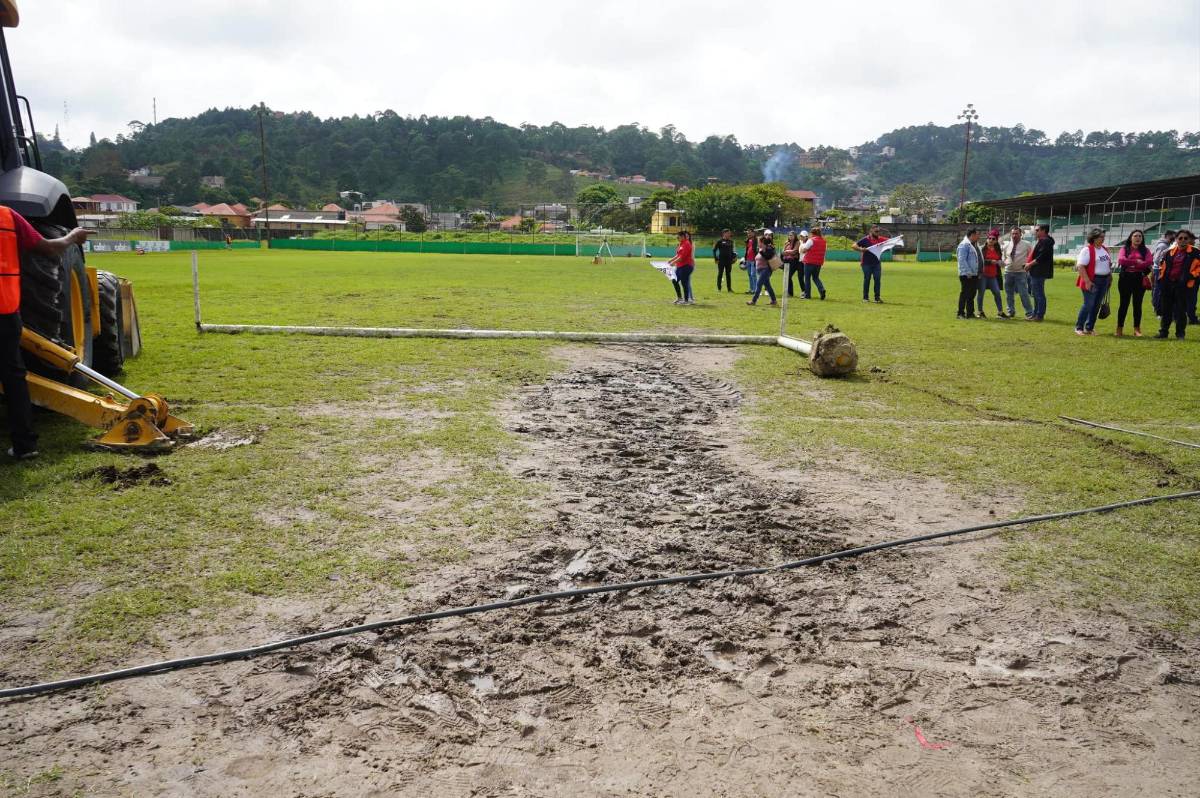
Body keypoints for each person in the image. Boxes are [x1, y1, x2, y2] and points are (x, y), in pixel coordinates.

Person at [0, 206, 93, 459]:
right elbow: (49, 248)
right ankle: (24, 445)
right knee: (13, 377)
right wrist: (73, 236)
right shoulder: (8, 216)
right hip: (6, 311)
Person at [1155, 229, 1199, 339]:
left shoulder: (1195, 252)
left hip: (1183, 286)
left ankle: (1180, 334)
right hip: (1168, 285)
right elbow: (1162, 267)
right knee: (1166, 310)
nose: (1183, 240)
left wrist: (1191, 276)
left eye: (1185, 238)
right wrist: (1161, 279)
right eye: (1180, 238)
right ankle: (1163, 332)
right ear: (1176, 240)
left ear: (1189, 240)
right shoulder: (1169, 252)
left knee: (1180, 310)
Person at [1115, 229, 1154, 337]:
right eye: (1135, 236)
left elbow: (1149, 262)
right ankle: (1119, 328)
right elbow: (1121, 260)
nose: (1138, 238)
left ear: (1142, 239)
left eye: (1140, 236)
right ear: (1131, 238)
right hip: (1125, 279)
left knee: (1137, 305)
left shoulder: (1145, 250)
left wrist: (1132, 264)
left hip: (1139, 279)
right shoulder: (1124, 248)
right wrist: (1137, 262)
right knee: (1124, 304)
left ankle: (1137, 329)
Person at [1074, 228, 1112, 336]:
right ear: (1093, 238)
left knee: (1096, 305)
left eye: (1103, 237)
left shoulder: (1104, 248)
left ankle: (1089, 328)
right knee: (1088, 304)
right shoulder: (1087, 250)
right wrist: (1087, 281)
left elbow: (1107, 264)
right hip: (1092, 280)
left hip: (1104, 280)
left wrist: (1109, 277)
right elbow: (1080, 266)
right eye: (1100, 237)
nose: (1102, 239)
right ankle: (1079, 327)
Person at [1001, 226, 1034, 319]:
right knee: (1009, 294)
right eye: (1013, 233)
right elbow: (1004, 257)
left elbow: (1031, 256)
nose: (1014, 235)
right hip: (1008, 272)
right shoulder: (1006, 245)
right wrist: (1004, 262)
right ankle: (1010, 312)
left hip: (1021, 273)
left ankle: (1029, 313)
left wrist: (1027, 265)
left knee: (1023, 293)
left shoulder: (1027, 244)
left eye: (1016, 233)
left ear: (1021, 234)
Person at [1026, 224, 1055, 321]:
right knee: (1036, 293)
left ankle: (1039, 315)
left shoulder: (1045, 241)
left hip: (1039, 271)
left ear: (1043, 231)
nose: (1036, 232)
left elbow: (1041, 257)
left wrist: (1029, 264)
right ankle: (1036, 314)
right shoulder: (1044, 241)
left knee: (1038, 294)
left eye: (1037, 230)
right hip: (1036, 271)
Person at [852, 224, 887, 303]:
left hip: (877, 264)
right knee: (867, 279)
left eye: (879, 231)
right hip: (866, 264)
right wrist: (861, 249)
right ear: (871, 231)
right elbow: (853, 246)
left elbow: (890, 241)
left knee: (877, 280)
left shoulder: (881, 239)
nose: (878, 233)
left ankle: (877, 298)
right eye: (876, 231)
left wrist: (898, 239)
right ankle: (865, 298)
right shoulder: (865, 240)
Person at [977, 230, 1005, 318]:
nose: (991, 240)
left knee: (997, 292)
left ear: (996, 240)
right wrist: (990, 261)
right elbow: (979, 261)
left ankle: (1000, 312)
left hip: (993, 275)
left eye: (993, 239)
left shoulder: (997, 249)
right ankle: (980, 312)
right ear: (987, 239)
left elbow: (999, 259)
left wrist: (1000, 262)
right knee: (981, 293)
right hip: (983, 275)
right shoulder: (982, 249)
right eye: (989, 238)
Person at [1151, 229, 1176, 318]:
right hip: (1160, 270)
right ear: (1167, 236)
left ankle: (1158, 308)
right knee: (1159, 290)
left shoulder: (1165, 245)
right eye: (1172, 236)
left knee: (1159, 290)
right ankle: (1157, 309)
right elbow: (1157, 259)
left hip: (1160, 269)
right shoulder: (1163, 246)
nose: (1174, 238)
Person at [748, 230, 777, 306]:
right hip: (760, 270)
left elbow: (768, 257)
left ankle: (753, 301)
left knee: (759, 284)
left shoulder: (769, 249)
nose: (758, 243)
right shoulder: (760, 249)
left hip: (766, 270)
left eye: (759, 241)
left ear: (762, 242)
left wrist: (762, 251)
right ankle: (774, 300)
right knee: (768, 286)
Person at [956, 229, 981, 319]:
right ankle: (960, 313)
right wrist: (968, 272)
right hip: (966, 274)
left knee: (972, 294)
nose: (979, 237)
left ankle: (970, 313)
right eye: (977, 235)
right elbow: (962, 260)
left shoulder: (972, 245)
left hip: (973, 274)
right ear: (972, 235)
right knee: (965, 293)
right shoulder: (964, 245)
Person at [668, 230, 695, 305]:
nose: (677, 238)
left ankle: (686, 300)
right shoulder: (681, 244)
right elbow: (678, 255)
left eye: (678, 237)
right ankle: (680, 298)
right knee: (674, 280)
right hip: (680, 266)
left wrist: (673, 263)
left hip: (687, 266)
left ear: (683, 237)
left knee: (684, 282)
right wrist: (670, 260)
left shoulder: (687, 244)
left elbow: (682, 257)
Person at [800, 227, 827, 300]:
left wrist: (803, 248)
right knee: (815, 277)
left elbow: (803, 250)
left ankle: (807, 295)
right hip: (818, 262)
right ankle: (821, 289)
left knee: (807, 279)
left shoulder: (811, 240)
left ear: (812, 233)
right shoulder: (824, 241)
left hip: (809, 262)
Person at [712, 229, 737, 293]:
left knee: (728, 274)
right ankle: (719, 288)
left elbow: (732, 251)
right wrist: (716, 259)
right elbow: (714, 250)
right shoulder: (719, 241)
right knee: (720, 274)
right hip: (721, 261)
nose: (729, 234)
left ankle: (729, 289)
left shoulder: (731, 241)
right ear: (724, 233)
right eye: (728, 233)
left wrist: (734, 257)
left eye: (730, 233)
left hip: (729, 261)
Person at [782, 231, 803, 297]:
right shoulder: (786, 243)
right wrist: (786, 252)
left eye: (792, 235)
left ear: (795, 236)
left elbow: (795, 251)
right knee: (787, 276)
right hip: (786, 261)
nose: (790, 236)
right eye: (789, 235)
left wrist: (787, 252)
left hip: (794, 261)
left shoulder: (797, 242)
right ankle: (789, 292)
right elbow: (783, 252)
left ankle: (791, 293)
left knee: (789, 276)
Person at [742, 229, 759, 295]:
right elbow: (747, 250)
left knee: (753, 275)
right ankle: (751, 289)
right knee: (749, 275)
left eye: (750, 233)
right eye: (748, 233)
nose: (748, 234)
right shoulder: (748, 240)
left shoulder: (756, 240)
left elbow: (757, 250)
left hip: (754, 260)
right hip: (748, 260)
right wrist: (745, 259)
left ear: (754, 233)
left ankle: (755, 290)